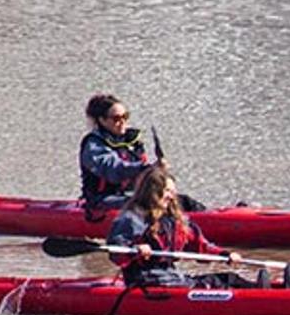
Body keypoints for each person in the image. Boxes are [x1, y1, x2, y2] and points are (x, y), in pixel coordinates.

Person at [102, 160, 269, 287]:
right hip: (147, 280)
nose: (172, 196)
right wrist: (135, 249)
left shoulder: (173, 220)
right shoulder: (132, 218)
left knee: (229, 278)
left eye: (172, 192)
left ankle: (265, 289)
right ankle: (261, 295)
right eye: (167, 191)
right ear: (153, 192)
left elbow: (200, 246)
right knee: (219, 283)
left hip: (171, 277)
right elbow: (116, 252)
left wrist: (224, 255)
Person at [79, 94, 156, 211]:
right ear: (102, 120)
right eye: (116, 118)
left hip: (131, 195)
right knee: (144, 204)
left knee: (184, 201)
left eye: (125, 116)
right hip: (102, 200)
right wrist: (144, 168)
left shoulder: (132, 141)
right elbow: (113, 170)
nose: (122, 122)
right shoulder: (93, 145)